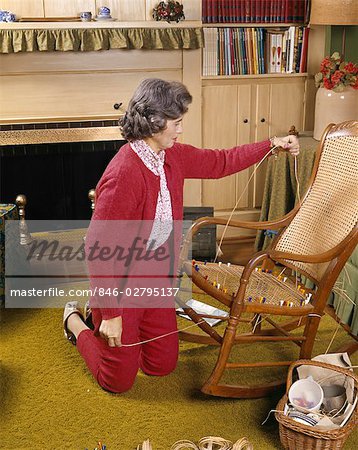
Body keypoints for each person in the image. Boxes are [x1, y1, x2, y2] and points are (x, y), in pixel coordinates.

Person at [63, 78, 300, 393]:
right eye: (176, 123)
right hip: (122, 288)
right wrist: (112, 314)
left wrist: (271, 144)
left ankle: (103, 320)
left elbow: (221, 162)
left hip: (158, 280)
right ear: (154, 123)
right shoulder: (125, 174)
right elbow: (98, 247)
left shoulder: (170, 154)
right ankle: (77, 323)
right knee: (117, 381)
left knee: (161, 366)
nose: (180, 129)